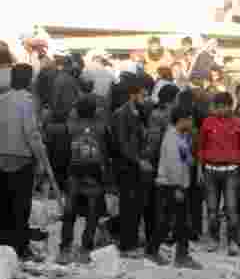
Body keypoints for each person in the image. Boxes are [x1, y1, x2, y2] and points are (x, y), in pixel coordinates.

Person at [1, 64, 59, 260]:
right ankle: (20, 247)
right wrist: (42, 159)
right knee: (20, 205)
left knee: (4, 204)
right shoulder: (27, 102)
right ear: (28, 80)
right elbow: (32, 133)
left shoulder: (2, 99)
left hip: (1, 157)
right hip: (21, 159)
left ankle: (4, 245)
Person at [58, 95, 111, 264]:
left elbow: (63, 148)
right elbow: (107, 143)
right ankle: (85, 248)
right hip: (94, 173)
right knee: (92, 214)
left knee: (69, 212)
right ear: (94, 111)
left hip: (74, 172)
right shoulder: (100, 127)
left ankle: (65, 248)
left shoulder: (72, 127)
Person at [148, 107, 201, 269]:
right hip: (170, 186)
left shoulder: (180, 136)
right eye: (190, 120)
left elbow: (185, 158)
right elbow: (173, 166)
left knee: (180, 223)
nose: (192, 123)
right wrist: (178, 186)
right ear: (182, 120)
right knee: (168, 222)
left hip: (177, 185)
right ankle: (154, 251)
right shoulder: (171, 137)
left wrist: (189, 159)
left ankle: (180, 255)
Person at [198, 91, 240, 256]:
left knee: (232, 209)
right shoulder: (207, 122)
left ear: (230, 106)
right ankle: (214, 239)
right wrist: (199, 169)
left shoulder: (238, 124)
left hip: (231, 171)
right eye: (217, 107)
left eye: (223, 107)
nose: (220, 110)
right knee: (212, 209)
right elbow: (201, 147)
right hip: (210, 171)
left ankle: (233, 242)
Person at [110, 80, 151, 257]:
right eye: (143, 94)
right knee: (128, 205)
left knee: (135, 205)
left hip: (135, 164)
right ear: (132, 95)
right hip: (126, 165)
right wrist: (138, 160)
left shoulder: (139, 112)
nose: (146, 98)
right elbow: (122, 144)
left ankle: (131, 240)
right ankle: (127, 244)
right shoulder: (121, 114)